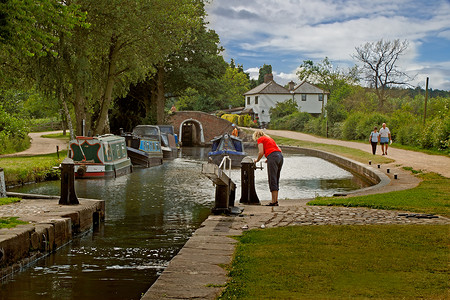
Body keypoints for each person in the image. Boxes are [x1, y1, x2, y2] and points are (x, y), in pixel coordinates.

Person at [252, 130, 283, 206]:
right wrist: (269, 157)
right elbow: (278, 150)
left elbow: (261, 152)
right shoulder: (269, 139)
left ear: (256, 136)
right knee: (276, 178)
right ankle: (275, 201)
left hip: (273, 157)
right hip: (280, 157)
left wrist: (257, 160)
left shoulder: (260, 139)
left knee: (272, 179)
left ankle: (273, 201)